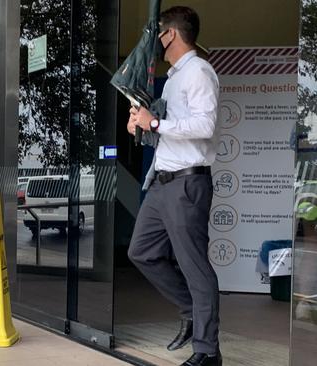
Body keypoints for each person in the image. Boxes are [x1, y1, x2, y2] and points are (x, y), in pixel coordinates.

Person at [126, 6, 222, 366]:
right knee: (141, 252)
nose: (154, 40)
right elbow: (169, 132)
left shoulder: (199, 71)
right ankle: (191, 309)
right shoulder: (175, 77)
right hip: (162, 183)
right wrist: (142, 126)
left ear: (170, 35)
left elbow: (204, 127)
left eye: (158, 33)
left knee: (195, 266)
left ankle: (208, 352)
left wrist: (154, 125)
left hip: (187, 184)